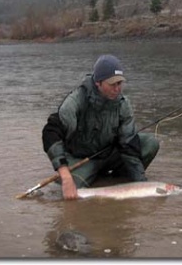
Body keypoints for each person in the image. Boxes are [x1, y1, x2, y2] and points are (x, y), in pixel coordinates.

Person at [42, 55, 159, 200]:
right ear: (98, 82)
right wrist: (65, 176)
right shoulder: (75, 101)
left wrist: (142, 184)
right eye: (112, 84)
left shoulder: (123, 105)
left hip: (109, 154)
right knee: (71, 189)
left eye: (119, 83)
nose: (117, 89)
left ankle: (117, 180)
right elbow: (50, 133)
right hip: (81, 158)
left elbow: (129, 145)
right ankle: (86, 176)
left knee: (150, 143)